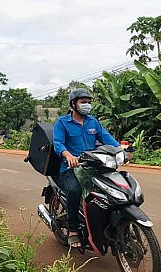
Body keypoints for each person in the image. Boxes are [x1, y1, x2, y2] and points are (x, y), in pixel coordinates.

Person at [53, 88, 120, 249]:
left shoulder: (92, 121)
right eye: (83, 102)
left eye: (89, 102)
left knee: (111, 189)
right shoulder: (63, 122)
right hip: (70, 168)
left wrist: (121, 150)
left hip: (92, 166)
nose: (87, 105)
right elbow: (58, 143)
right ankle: (74, 230)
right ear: (73, 104)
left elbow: (105, 137)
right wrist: (68, 156)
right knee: (75, 190)